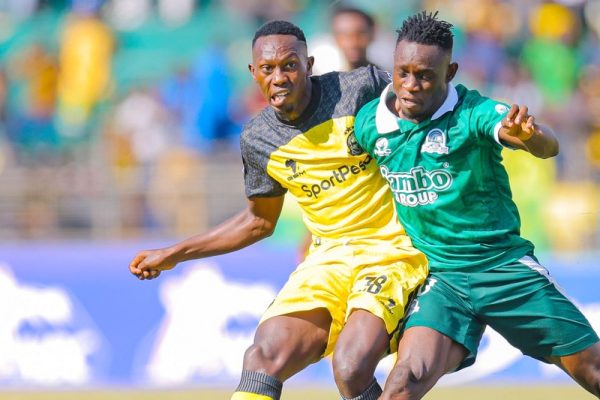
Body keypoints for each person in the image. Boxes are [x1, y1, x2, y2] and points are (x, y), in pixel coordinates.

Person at [129, 20, 428, 400]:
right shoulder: (259, 139)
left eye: (289, 65)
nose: (279, 78)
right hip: (328, 261)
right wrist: (174, 253)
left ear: (309, 65)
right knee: (262, 357)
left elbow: (429, 100)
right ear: (253, 72)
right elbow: (259, 221)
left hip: (392, 252)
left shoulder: (361, 88)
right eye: (267, 69)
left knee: (351, 367)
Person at [353, 11, 600, 400]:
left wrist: (530, 137)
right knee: (402, 383)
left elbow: (547, 145)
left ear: (450, 72)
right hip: (441, 280)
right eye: (403, 73)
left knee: (593, 371)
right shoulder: (370, 123)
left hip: (502, 269)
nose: (411, 86)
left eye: (425, 76)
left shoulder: (473, 113)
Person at [331, 6, 378, 71]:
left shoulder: (385, 76)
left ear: (372, 34)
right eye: (345, 35)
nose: (353, 43)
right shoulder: (324, 75)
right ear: (335, 38)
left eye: (360, 34)